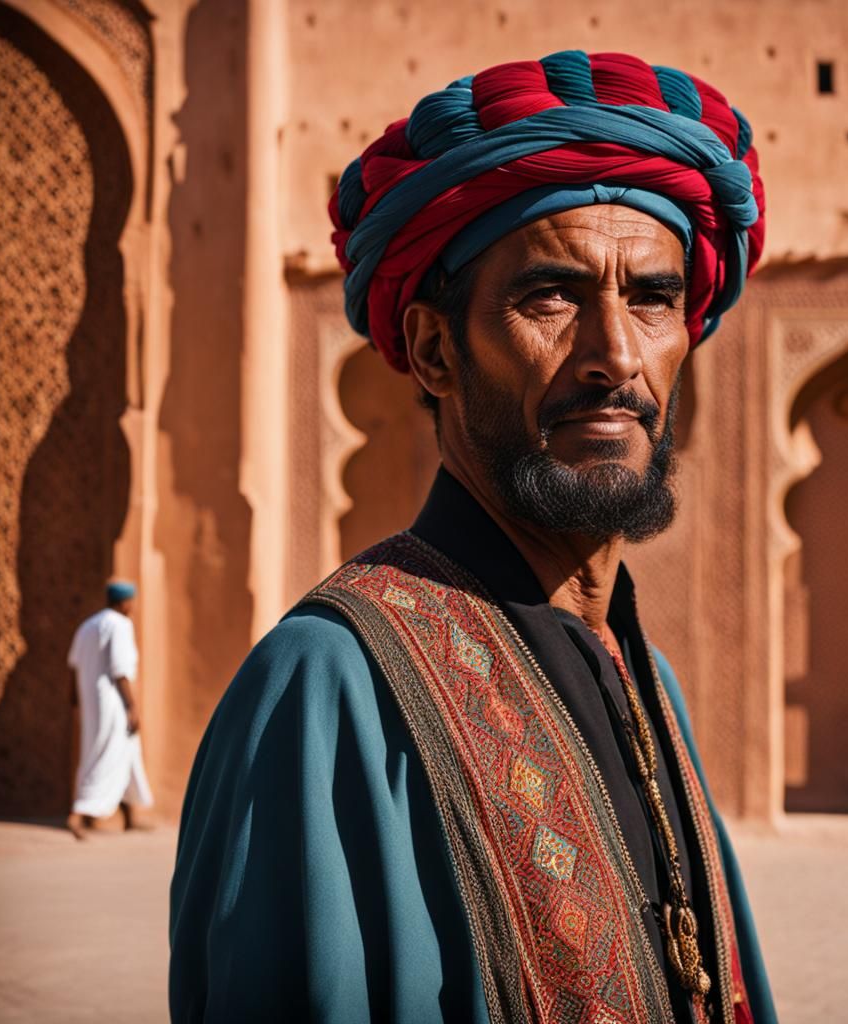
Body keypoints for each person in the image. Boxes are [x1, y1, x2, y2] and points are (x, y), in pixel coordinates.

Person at [170, 51, 774, 1023]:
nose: (615, 355)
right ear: (433, 348)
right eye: (551, 297)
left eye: (652, 300)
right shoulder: (323, 689)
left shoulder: (646, 681)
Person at [67, 580, 154, 838]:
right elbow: (120, 670)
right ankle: (77, 815)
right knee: (105, 756)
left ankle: (129, 817)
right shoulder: (120, 625)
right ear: (124, 602)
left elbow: (73, 666)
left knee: (125, 754)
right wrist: (132, 706)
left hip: (91, 704)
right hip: (113, 704)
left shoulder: (87, 626)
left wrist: (73, 698)